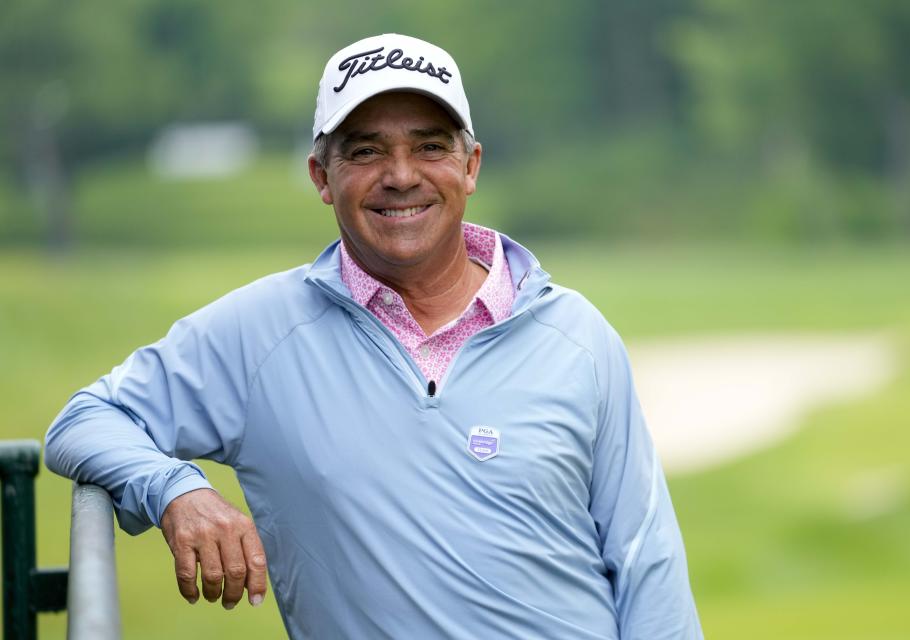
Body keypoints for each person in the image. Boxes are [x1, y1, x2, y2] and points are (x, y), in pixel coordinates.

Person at [45, 33, 703, 639]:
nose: (401, 175)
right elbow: (85, 420)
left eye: (429, 145)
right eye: (365, 151)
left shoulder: (577, 337)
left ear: (470, 166)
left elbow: (648, 566)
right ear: (321, 177)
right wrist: (176, 491)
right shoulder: (260, 334)